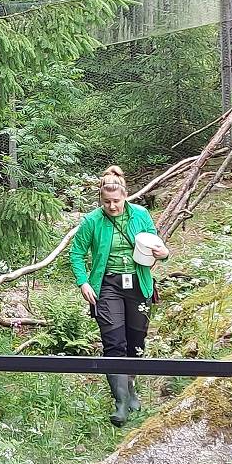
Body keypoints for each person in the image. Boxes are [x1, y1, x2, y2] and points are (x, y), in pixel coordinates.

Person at [68, 165, 169, 426]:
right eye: (106, 202)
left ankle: (131, 386)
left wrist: (162, 253)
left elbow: (155, 244)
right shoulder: (92, 221)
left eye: (116, 201)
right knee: (114, 343)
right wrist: (83, 282)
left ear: (126, 196)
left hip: (138, 283)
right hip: (108, 285)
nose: (112, 206)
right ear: (100, 199)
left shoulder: (141, 215)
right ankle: (120, 402)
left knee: (136, 340)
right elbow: (77, 253)